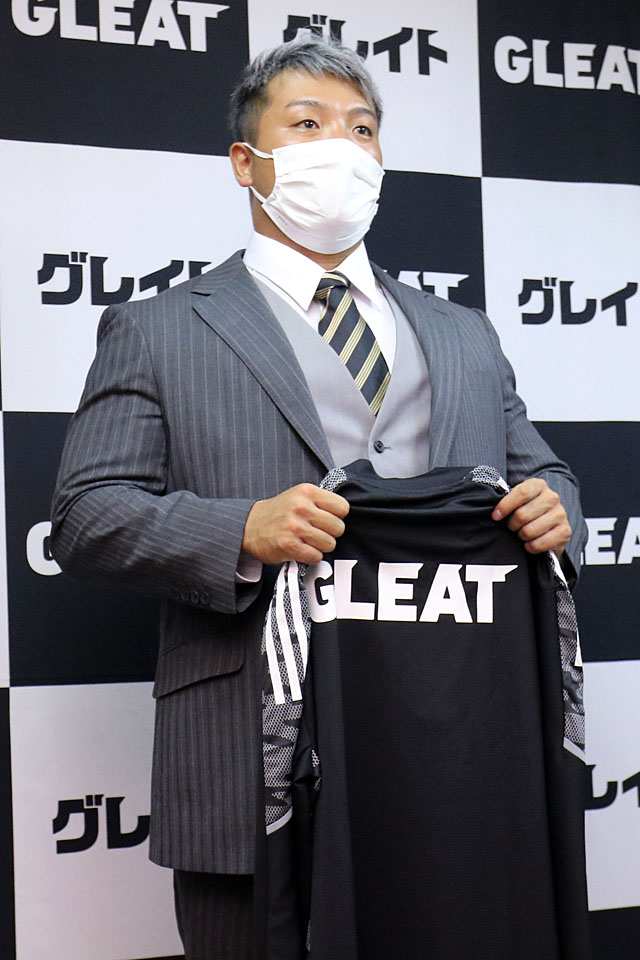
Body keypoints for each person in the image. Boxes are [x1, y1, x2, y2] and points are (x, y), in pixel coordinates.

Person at [50, 36, 587, 960]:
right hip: (247, 763)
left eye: (362, 129)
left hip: (453, 764)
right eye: (307, 124)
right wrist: (242, 530)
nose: (341, 146)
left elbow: (547, 474)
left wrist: (556, 506)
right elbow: (85, 515)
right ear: (246, 162)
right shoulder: (157, 329)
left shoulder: (465, 333)